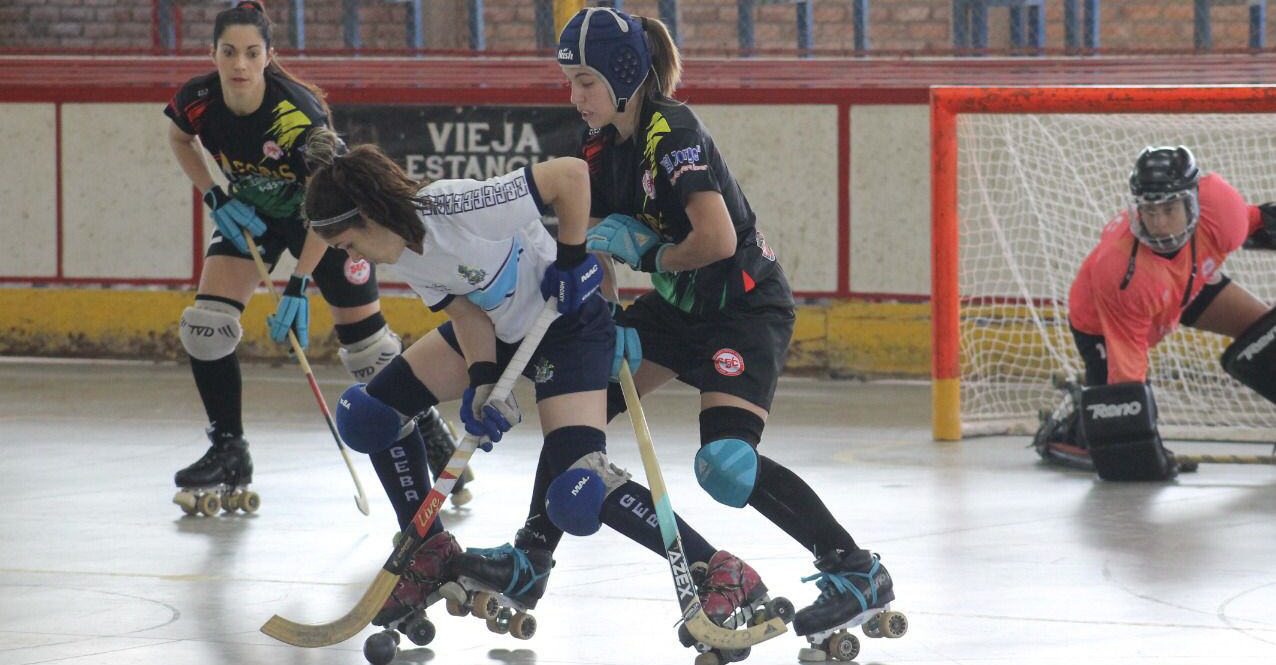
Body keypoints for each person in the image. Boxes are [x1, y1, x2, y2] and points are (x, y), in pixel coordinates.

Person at [454, 7, 902, 651]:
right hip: (676, 310)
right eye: (570, 82)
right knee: (580, 406)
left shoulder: (673, 132)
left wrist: (653, 256)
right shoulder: (596, 145)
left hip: (743, 308)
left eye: (585, 82)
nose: (575, 97)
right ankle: (531, 559)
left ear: (624, 75)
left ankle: (856, 570)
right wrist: (605, 312)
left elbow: (717, 240)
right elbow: (598, 245)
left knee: (725, 466)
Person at [299, 127, 769, 634]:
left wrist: (571, 259)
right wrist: (482, 380)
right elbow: (467, 315)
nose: (355, 260)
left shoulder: (454, 207)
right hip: (499, 329)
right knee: (369, 415)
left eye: (349, 244)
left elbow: (571, 176)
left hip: (568, 326)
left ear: (369, 216)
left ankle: (716, 568)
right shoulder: (403, 251)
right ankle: (429, 550)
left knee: (578, 486)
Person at [164, 1, 466, 516]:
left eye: (251, 53)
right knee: (205, 328)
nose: (239, 64)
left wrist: (300, 283)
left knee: (368, 352)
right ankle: (229, 449)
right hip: (255, 216)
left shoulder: (297, 116)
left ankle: (427, 429)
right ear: (212, 53)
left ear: (269, 56)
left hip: (325, 220)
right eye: (229, 52)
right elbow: (178, 136)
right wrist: (215, 195)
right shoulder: (199, 100)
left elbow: (327, 204)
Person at [1037, 145, 1276, 480]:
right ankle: (1077, 426)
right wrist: (1134, 436)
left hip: (1186, 284)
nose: (1159, 224)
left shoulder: (1221, 210)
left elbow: (1260, 223)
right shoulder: (1121, 270)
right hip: (1103, 322)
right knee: (1122, 442)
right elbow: (1128, 367)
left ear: (1193, 203)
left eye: (1169, 209)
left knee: (1267, 332)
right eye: (1150, 210)